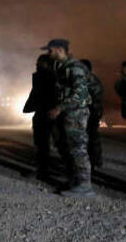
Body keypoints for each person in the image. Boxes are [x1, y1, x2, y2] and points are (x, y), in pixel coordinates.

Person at [43, 38, 94, 198]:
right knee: (68, 147)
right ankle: (76, 181)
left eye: (50, 50)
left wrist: (60, 108)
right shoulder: (61, 67)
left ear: (59, 49)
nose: (48, 53)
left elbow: (80, 94)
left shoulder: (75, 67)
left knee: (78, 148)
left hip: (76, 113)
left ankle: (85, 186)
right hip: (68, 113)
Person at [23, 54, 57, 178]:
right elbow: (35, 93)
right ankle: (42, 170)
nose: (37, 65)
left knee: (61, 145)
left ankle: (71, 173)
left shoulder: (54, 76)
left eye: (40, 63)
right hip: (42, 113)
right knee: (41, 144)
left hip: (52, 113)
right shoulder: (40, 76)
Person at [80, 59, 104, 168]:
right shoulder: (81, 79)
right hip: (83, 114)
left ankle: (95, 161)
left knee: (92, 138)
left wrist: (94, 115)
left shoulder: (92, 81)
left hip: (91, 114)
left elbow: (97, 101)